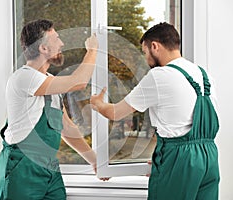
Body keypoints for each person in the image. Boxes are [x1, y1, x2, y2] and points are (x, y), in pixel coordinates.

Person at [90, 22, 220, 200]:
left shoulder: (159, 76)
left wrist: (98, 104)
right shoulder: (204, 74)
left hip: (178, 159)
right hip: (209, 158)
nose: (146, 59)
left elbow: (115, 113)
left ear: (154, 46)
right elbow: (184, 121)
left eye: (145, 52)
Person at [0, 19, 106, 200]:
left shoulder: (50, 83)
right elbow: (78, 82)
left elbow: (67, 128)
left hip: (49, 169)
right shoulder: (24, 78)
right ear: (43, 49)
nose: (62, 43)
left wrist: (94, 160)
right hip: (23, 168)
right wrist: (93, 50)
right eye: (56, 38)